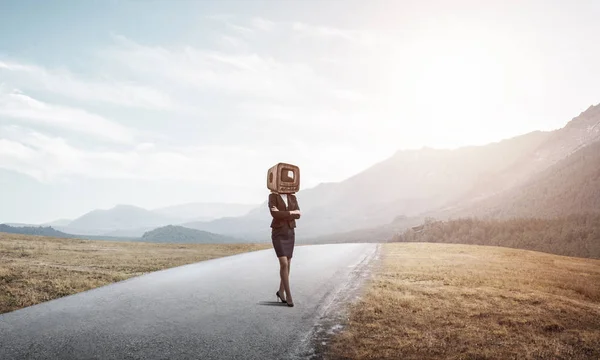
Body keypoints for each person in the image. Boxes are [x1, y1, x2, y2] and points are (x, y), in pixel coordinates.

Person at [268, 190, 301, 307]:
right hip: (278, 233)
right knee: (284, 263)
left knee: (288, 263)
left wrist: (284, 213)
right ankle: (289, 295)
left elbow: (298, 215)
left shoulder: (292, 197)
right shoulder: (273, 196)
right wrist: (291, 212)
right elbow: (275, 215)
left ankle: (281, 291)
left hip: (290, 233)